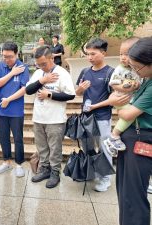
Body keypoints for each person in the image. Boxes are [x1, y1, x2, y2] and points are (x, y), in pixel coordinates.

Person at [107, 37, 152, 225]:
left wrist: (113, 102)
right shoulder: (147, 79)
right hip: (132, 137)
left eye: (137, 67)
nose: (134, 71)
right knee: (125, 191)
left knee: (133, 195)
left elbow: (127, 114)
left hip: (140, 140)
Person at [26, 46, 75, 188]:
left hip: (55, 119)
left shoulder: (62, 73)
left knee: (55, 148)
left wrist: (50, 95)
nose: (42, 67)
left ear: (52, 58)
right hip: (38, 118)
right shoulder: (38, 73)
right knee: (42, 147)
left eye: (44, 63)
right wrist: (43, 80)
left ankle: (55, 172)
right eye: (39, 64)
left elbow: (71, 95)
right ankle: (45, 169)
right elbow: (29, 90)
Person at [75, 38, 114, 192]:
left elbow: (114, 98)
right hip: (86, 117)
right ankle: (91, 172)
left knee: (104, 147)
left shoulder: (110, 72)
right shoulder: (85, 71)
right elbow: (77, 92)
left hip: (102, 116)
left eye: (93, 53)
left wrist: (95, 106)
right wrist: (81, 89)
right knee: (88, 146)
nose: (90, 57)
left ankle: (105, 179)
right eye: (88, 54)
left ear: (103, 53)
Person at [0, 42, 29, 177]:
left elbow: (24, 89)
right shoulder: (0, 65)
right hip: (1, 110)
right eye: (4, 56)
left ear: (17, 54)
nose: (7, 60)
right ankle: (6, 162)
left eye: (10, 57)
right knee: (3, 137)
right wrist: (12, 73)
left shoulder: (23, 67)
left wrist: (9, 99)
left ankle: (19, 164)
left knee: (18, 138)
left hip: (16, 111)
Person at [103, 37, 140, 157]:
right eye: (121, 54)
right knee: (130, 115)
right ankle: (114, 135)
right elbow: (113, 84)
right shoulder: (120, 69)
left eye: (126, 54)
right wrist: (128, 87)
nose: (123, 57)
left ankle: (113, 144)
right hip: (121, 98)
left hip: (130, 98)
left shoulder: (135, 68)